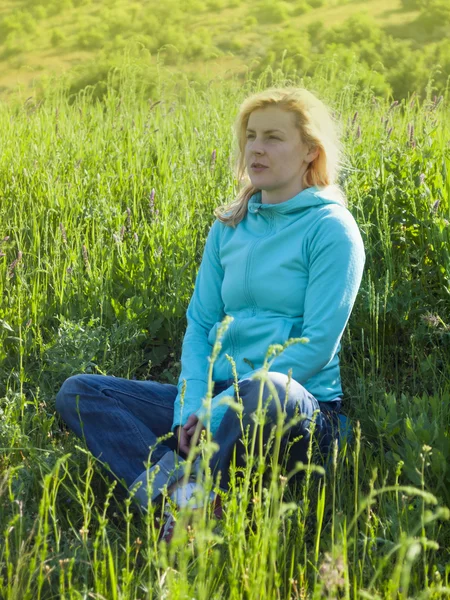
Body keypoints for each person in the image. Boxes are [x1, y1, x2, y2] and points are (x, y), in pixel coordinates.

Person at [56, 86, 365, 541]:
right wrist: (192, 409)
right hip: (216, 400)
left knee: (268, 387)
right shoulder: (228, 227)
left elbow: (316, 347)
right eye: (251, 135)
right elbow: (201, 325)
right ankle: (186, 500)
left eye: (273, 137)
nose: (256, 147)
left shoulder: (332, 230)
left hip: (295, 409)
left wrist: (220, 409)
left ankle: (193, 500)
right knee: (80, 393)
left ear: (309, 153)